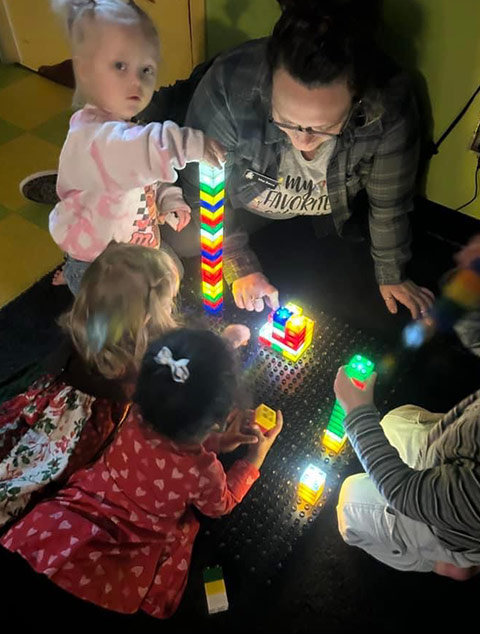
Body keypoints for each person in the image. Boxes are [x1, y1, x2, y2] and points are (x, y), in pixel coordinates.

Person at [158, 0, 432, 318]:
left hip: (321, 226)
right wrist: (240, 264)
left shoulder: (388, 106)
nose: (302, 141)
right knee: (182, 235)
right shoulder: (230, 86)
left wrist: (391, 272)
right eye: (285, 121)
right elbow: (201, 192)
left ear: (357, 98)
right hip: (242, 206)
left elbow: (389, 204)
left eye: (322, 129)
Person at [0, 328, 283, 618]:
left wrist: (218, 441)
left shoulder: (132, 413)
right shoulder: (203, 470)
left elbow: (169, 439)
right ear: (215, 422)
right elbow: (220, 505)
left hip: (83, 505)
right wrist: (254, 457)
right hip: (134, 539)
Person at [48, 0, 224, 294]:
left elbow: (149, 174)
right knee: (116, 318)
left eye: (146, 70)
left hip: (136, 242)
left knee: (172, 275)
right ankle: (75, 272)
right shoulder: (91, 137)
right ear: (86, 70)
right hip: (97, 261)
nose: (136, 81)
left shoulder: (133, 131)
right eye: (120, 66)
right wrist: (189, 144)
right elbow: (143, 150)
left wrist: (170, 201)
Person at [0, 242, 179, 528]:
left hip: (51, 397)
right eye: (167, 302)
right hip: (82, 421)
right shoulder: (141, 354)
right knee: (45, 470)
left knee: (18, 439)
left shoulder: (83, 319)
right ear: (148, 315)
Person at [334, 362, 480, 580]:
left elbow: (404, 493)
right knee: (395, 420)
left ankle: (440, 562)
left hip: (443, 522)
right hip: (452, 457)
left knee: (348, 501)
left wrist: (357, 414)